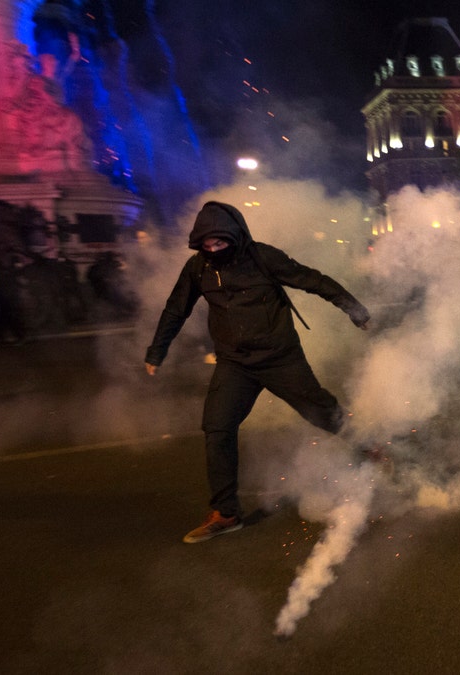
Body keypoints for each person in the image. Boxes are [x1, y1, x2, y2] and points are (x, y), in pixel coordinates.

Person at [145, 201, 371, 544]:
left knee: (321, 412)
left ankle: (367, 446)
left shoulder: (264, 257)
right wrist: (156, 351)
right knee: (217, 428)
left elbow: (313, 280)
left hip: (281, 359)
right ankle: (226, 513)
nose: (213, 250)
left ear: (234, 237)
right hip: (234, 365)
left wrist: (354, 309)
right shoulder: (198, 269)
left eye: (219, 244)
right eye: (206, 246)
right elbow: (175, 310)